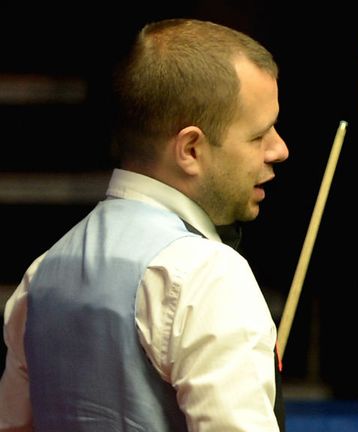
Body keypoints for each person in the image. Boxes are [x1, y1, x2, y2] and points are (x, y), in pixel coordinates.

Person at [0, 18, 288, 431]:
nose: (280, 149)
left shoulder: (43, 271)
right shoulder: (209, 276)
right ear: (190, 149)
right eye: (260, 135)